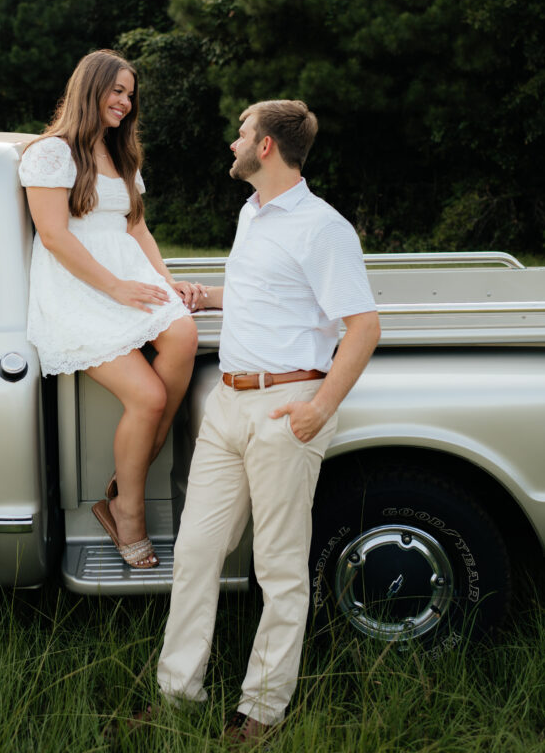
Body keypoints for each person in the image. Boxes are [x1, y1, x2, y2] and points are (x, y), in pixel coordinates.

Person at [151, 99, 380, 739]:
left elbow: (363, 327)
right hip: (226, 404)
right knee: (197, 551)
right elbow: (269, 292)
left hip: (286, 408)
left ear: (268, 148)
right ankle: (177, 693)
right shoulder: (252, 214)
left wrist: (318, 409)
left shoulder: (321, 227)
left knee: (278, 566)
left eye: (241, 135)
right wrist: (209, 295)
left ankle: (263, 709)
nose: (233, 144)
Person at [18, 50, 200, 570]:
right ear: (89, 89)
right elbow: (53, 235)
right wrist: (116, 288)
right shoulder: (51, 154)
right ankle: (127, 511)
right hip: (78, 287)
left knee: (183, 335)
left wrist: (166, 283)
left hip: (128, 278)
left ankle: (124, 480)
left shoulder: (120, 154)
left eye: (129, 93)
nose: (125, 101)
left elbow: (136, 228)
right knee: (147, 396)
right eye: (116, 90)